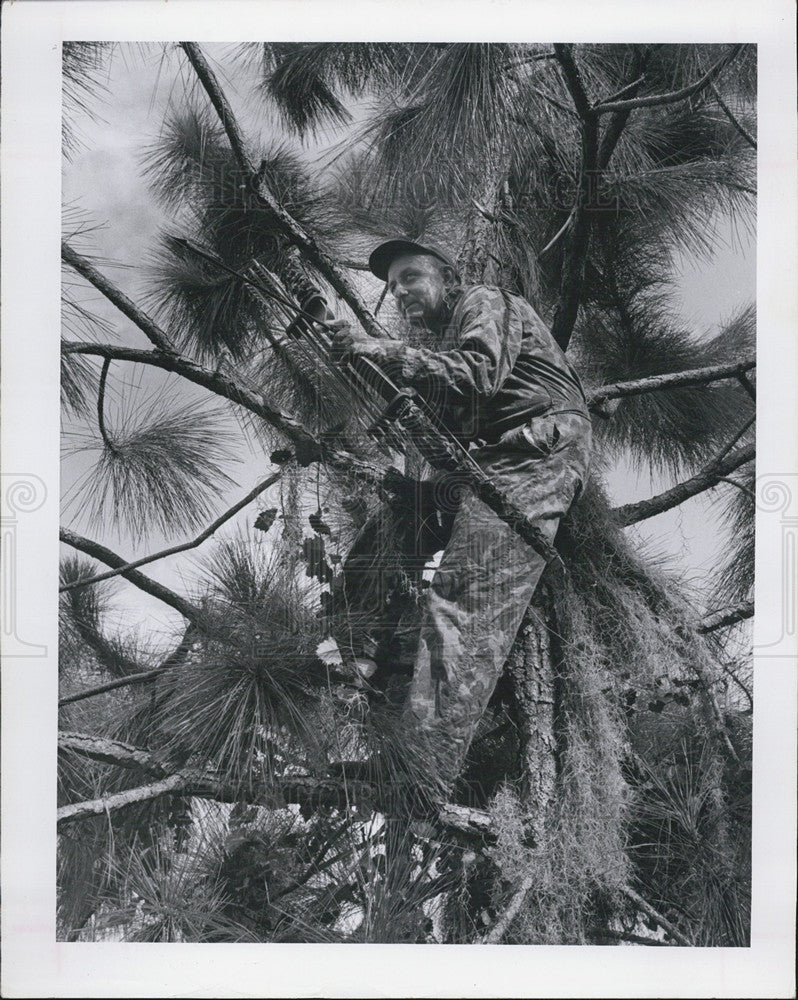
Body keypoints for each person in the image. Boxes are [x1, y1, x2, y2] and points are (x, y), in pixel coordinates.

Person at [330, 239, 592, 790]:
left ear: (446, 277)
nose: (399, 292)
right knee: (395, 525)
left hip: (534, 453)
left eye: (410, 278)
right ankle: (351, 663)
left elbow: (478, 374)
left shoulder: (483, 300)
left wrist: (379, 350)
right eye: (392, 286)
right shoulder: (438, 346)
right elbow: (441, 417)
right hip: (485, 464)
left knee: (465, 598)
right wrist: (366, 369)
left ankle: (422, 768)